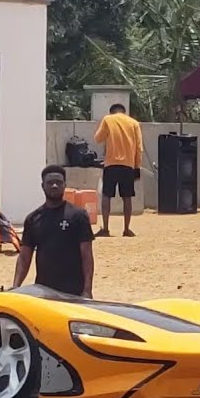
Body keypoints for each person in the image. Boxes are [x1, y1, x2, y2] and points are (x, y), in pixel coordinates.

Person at [14, 165, 95, 297]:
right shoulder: (33, 219)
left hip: (74, 291)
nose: (55, 186)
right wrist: (15, 287)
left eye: (59, 182)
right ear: (42, 186)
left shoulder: (78, 215)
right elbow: (24, 257)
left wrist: (87, 290)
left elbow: (87, 256)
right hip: (43, 290)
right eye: (50, 183)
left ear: (65, 185)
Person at [93, 103, 143, 237]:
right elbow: (139, 147)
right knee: (127, 197)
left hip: (111, 164)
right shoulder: (134, 123)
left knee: (106, 195)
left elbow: (98, 138)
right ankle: (126, 229)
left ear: (111, 112)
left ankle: (105, 229)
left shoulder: (108, 119)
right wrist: (137, 167)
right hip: (128, 165)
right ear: (124, 112)